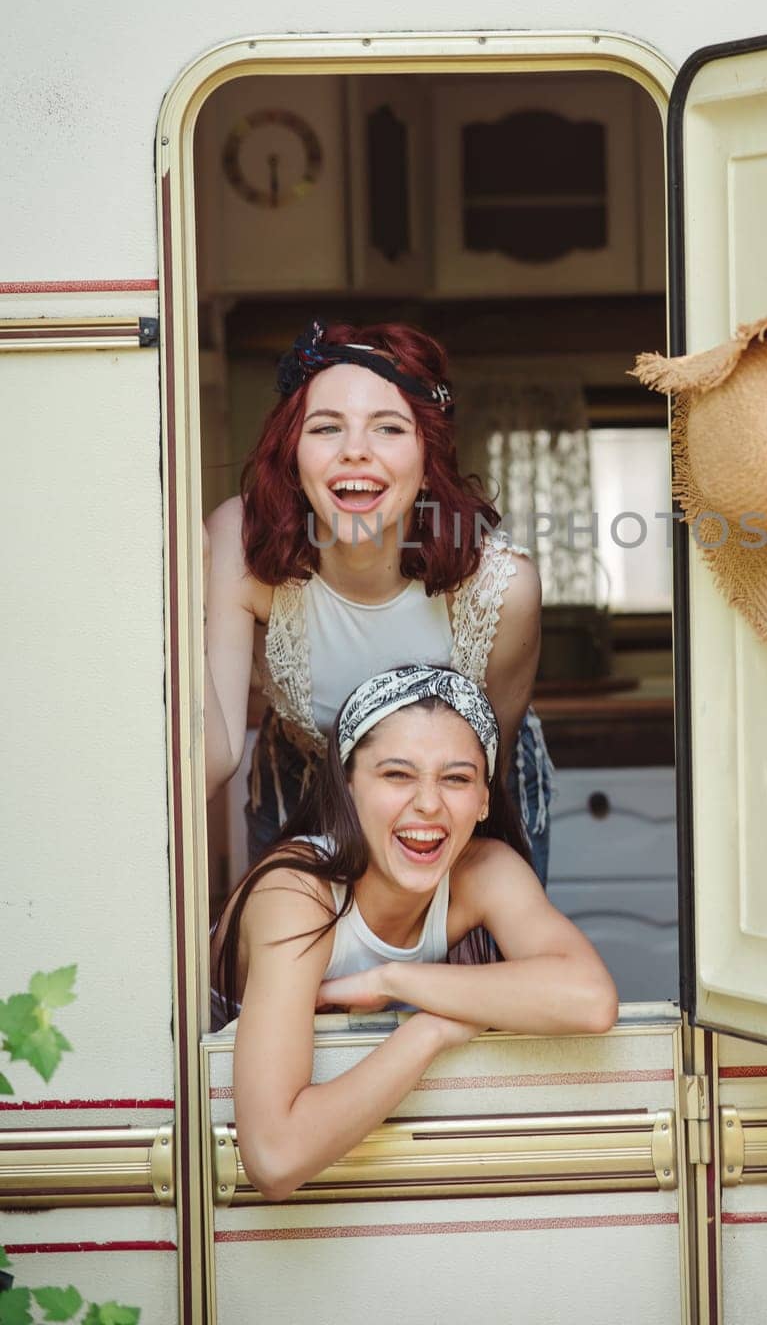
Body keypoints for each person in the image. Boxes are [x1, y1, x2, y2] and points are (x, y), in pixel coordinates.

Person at [212, 665, 617, 1202]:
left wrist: (394, 982)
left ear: (484, 801)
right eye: (398, 775)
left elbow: (590, 1000)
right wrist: (431, 1032)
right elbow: (274, 1158)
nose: (428, 803)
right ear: (349, 783)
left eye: (456, 778)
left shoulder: (483, 870)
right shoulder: (295, 893)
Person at [203, 318, 553, 879]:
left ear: (427, 454)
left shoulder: (503, 590)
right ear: (292, 451)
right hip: (304, 780)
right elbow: (212, 759)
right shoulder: (240, 544)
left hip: (458, 795)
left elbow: (482, 782)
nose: (356, 452)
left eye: (388, 428)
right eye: (326, 429)